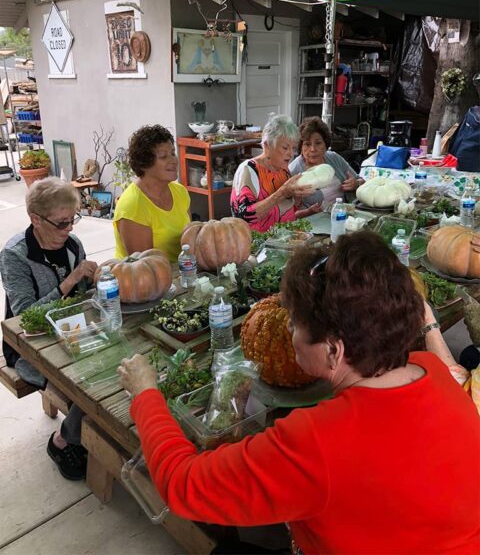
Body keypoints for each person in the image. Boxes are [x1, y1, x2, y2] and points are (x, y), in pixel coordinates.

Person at [117, 231, 479, 554]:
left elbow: (181, 484)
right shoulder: (431, 371)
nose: (288, 330)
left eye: (293, 322)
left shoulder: (315, 441)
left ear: (333, 350)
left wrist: (145, 394)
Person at [0, 177, 97, 480]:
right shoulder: (14, 255)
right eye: (61, 223)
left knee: (113, 364)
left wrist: (97, 282)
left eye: (72, 221)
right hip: (31, 346)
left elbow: (82, 299)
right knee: (88, 382)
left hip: (73, 331)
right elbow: (26, 317)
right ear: (35, 219)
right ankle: (63, 440)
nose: (69, 229)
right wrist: (69, 282)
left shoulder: (71, 244)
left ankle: (98, 435)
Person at [230, 114, 320, 232]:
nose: (290, 154)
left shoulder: (283, 170)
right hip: (256, 245)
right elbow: (243, 216)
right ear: (267, 145)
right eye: (285, 148)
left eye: (293, 148)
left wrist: (306, 209)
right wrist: (282, 193)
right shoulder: (249, 170)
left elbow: (285, 214)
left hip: (283, 241)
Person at [113, 125, 190, 262]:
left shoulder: (180, 192)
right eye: (163, 156)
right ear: (144, 164)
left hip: (183, 273)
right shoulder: (132, 206)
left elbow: (190, 240)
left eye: (173, 153)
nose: (173, 160)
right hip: (147, 279)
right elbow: (145, 266)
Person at [289, 116, 364, 208]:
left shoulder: (334, 158)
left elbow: (362, 182)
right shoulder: (294, 171)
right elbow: (290, 209)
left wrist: (356, 184)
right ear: (301, 147)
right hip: (312, 220)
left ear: (326, 144)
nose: (313, 149)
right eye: (307, 144)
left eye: (318, 143)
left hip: (343, 214)